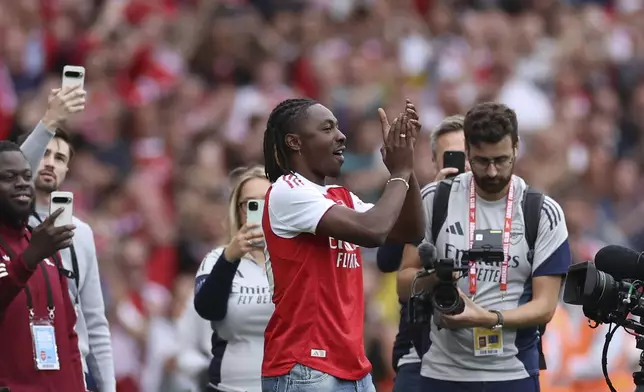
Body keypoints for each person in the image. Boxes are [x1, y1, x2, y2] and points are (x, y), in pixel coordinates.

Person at [398, 102, 571, 392]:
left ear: (516, 147)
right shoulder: (433, 200)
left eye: (501, 160)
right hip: (442, 371)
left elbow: (545, 307)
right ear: (466, 150)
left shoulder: (541, 211)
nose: (492, 171)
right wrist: (435, 279)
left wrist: (488, 319)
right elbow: (404, 285)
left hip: (513, 372)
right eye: (481, 161)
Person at [260, 98, 425, 392]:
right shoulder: (287, 190)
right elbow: (373, 231)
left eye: (338, 126)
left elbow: (411, 230)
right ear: (295, 142)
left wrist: (406, 168)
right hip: (305, 368)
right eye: (327, 128)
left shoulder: (340, 197)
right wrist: (398, 173)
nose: (341, 135)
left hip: (352, 368)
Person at [19, 87, 116, 392]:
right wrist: (50, 120)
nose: (50, 162)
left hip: (74, 371)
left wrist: (108, 387)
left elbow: (95, 320)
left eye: (60, 158)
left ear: (67, 169)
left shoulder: (82, 233)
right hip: (21, 367)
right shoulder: (10, 221)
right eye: (44, 152)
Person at [377, 115, 468, 392]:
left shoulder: (505, 208)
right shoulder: (424, 202)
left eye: (466, 156)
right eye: (450, 157)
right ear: (434, 161)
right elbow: (387, 261)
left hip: (481, 354)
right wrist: (425, 202)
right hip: (420, 351)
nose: (460, 166)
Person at [0, 141, 85, 391]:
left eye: (27, 176)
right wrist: (30, 257)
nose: (22, 183)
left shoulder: (44, 245)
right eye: (9, 177)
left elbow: (69, 337)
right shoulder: (39, 247)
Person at [194, 166, 273, 392]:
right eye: (250, 204)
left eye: (266, 201)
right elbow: (208, 309)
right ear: (238, 211)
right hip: (228, 386)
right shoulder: (217, 259)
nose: (257, 210)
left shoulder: (298, 260)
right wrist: (231, 257)